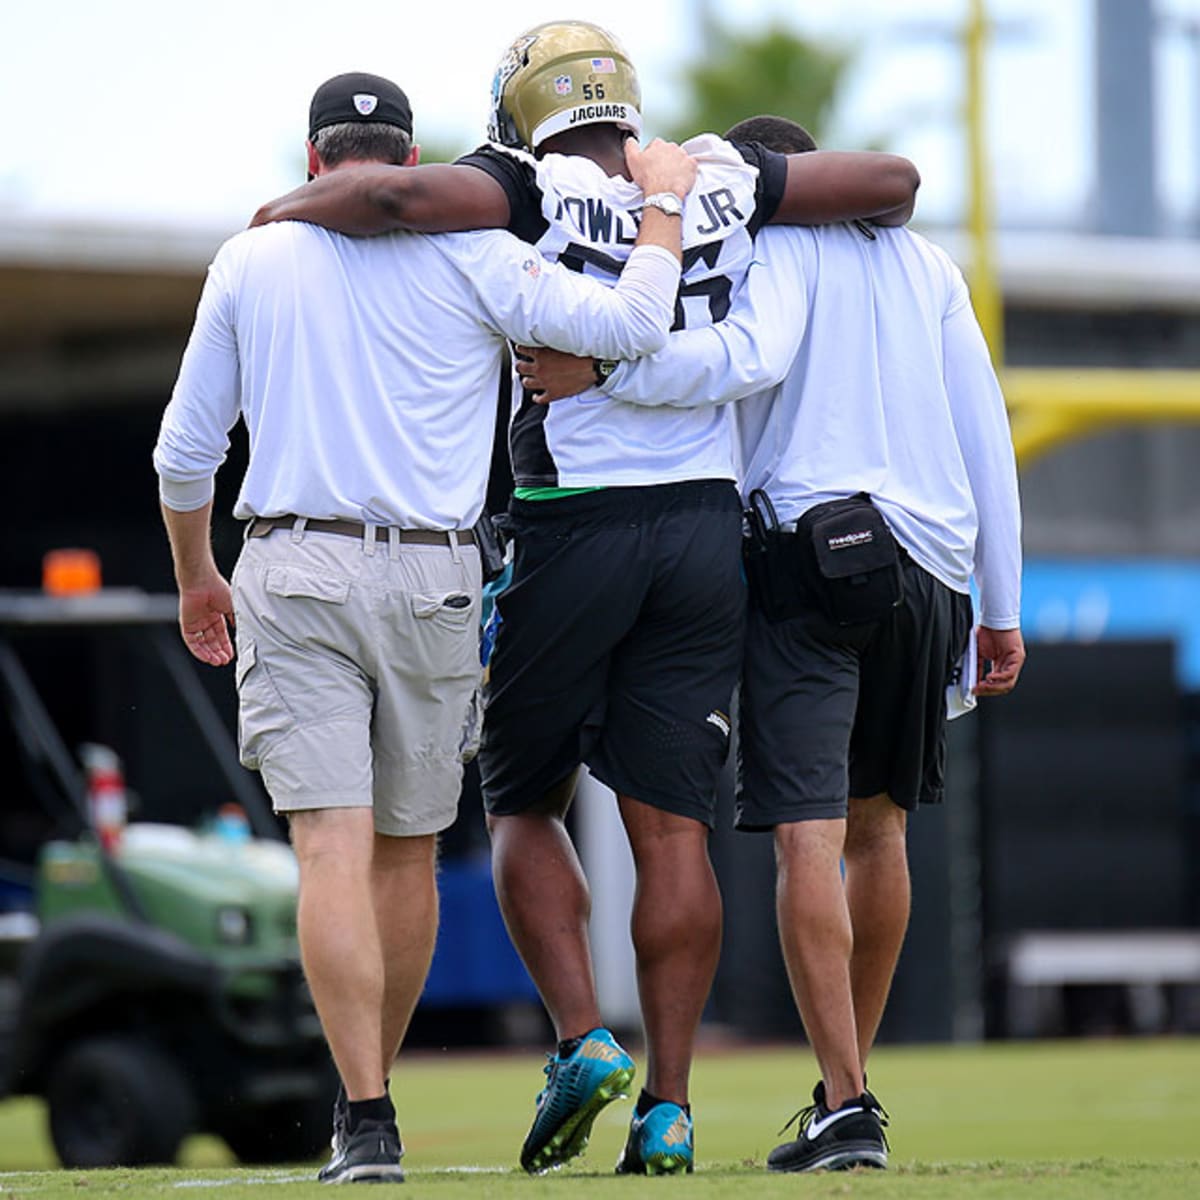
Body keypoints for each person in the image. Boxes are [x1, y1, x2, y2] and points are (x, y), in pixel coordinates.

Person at [250, 24, 920, 1178]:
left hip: (574, 519)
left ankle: (578, 1039)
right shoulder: (712, 176)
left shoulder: (521, 181)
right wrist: (721, 184)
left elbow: (397, 202)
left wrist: (286, 213)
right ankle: (670, 1105)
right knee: (673, 828)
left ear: (524, 108)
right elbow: (893, 183)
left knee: (520, 802)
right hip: (706, 528)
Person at [152, 68, 699, 1185]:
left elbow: (183, 455)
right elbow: (640, 324)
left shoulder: (252, 256)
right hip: (439, 575)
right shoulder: (479, 251)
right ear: (412, 164)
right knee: (405, 857)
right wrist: (662, 206)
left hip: (295, 564)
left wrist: (197, 576)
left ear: (315, 164)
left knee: (328, 852)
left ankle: (364, 1116)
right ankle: (374, 1106)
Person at [520, 114, 1025, 1175]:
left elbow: (749, 357)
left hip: (815, 555)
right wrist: (1002, 604)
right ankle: (845, 1091)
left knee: (809, 838)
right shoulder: (930, 265)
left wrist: (604, 374)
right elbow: (985, 420)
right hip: (933, 567)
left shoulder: (779, 246)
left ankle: (849, 1100)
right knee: (881, 839)